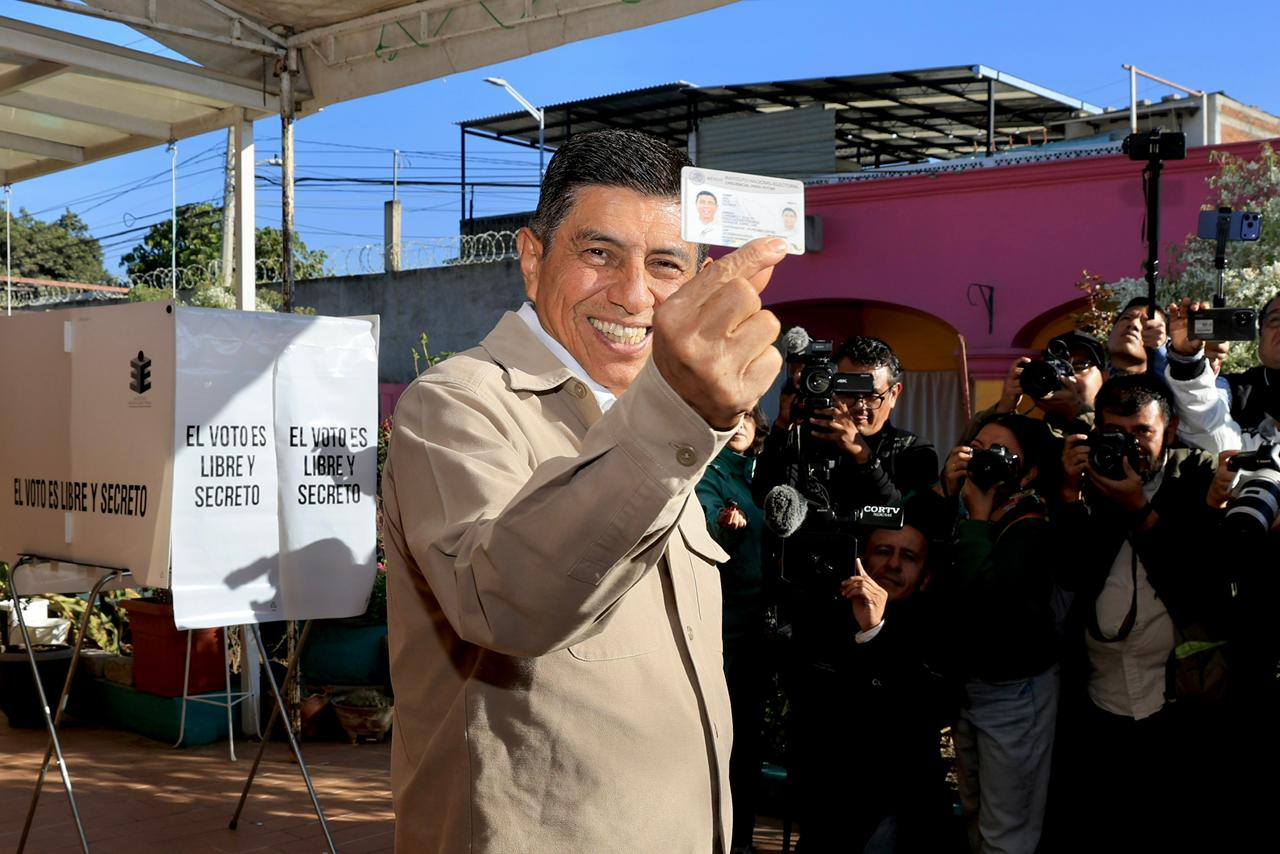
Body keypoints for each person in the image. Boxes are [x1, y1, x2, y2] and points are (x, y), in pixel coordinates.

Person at [382, 128, 788, 852]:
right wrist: (678, 417)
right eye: (598, 253)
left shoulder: (666, 418)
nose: (633, 295)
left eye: (665, 263)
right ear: (532, 259)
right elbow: (503, 602)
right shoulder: (454, 406)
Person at [1050, 373, 1224, 852]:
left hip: (1178, 701)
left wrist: (1138, 510)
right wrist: (1069, 497)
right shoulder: (1085, 478)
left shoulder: (1197, 476)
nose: (1128, 445)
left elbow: (1195, 585)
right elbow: (1068, 573)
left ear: (1170, 430)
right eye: (1114, 432)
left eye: (1141, 432)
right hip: (1096, 699)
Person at [934, 414, 1061, 854]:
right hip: (972, 686)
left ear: (1029, 472)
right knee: (977, 817)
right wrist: (947, 492)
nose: (985, 460)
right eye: (978, 449)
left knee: (1006, 832)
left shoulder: (1031, 524)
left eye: (1001, 453)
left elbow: (989, 603)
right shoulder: (965, 505)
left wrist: (977, 518)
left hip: (1013, 691)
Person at [831, 496, 957, 853]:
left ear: (926, 577)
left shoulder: (941, 631)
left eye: (909, 556)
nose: (894, 564)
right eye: (883, 551)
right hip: (834, 810)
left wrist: (876, 633)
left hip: (906, 814)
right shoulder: (830, 618)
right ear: (861, 559)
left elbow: (930, 705)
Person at [696, 404, 770, 854]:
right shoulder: (710, 471)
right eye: (733, 415)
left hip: (762, 628)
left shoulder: (763, 471)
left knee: (748, 741)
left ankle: (739, 836)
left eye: (748, 416)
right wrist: (724, 527)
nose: (740, 424)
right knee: (724, 738)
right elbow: (704, 529)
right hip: (726, 628)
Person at [964, 330, 1104, 442]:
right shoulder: (1029, 434)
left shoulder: (1113, 420)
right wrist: (1003, 409)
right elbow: (971, 457)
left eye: (1078, 367)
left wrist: (1076, 411)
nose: (1068, 378)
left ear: (1105, 375)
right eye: (1057, 370)